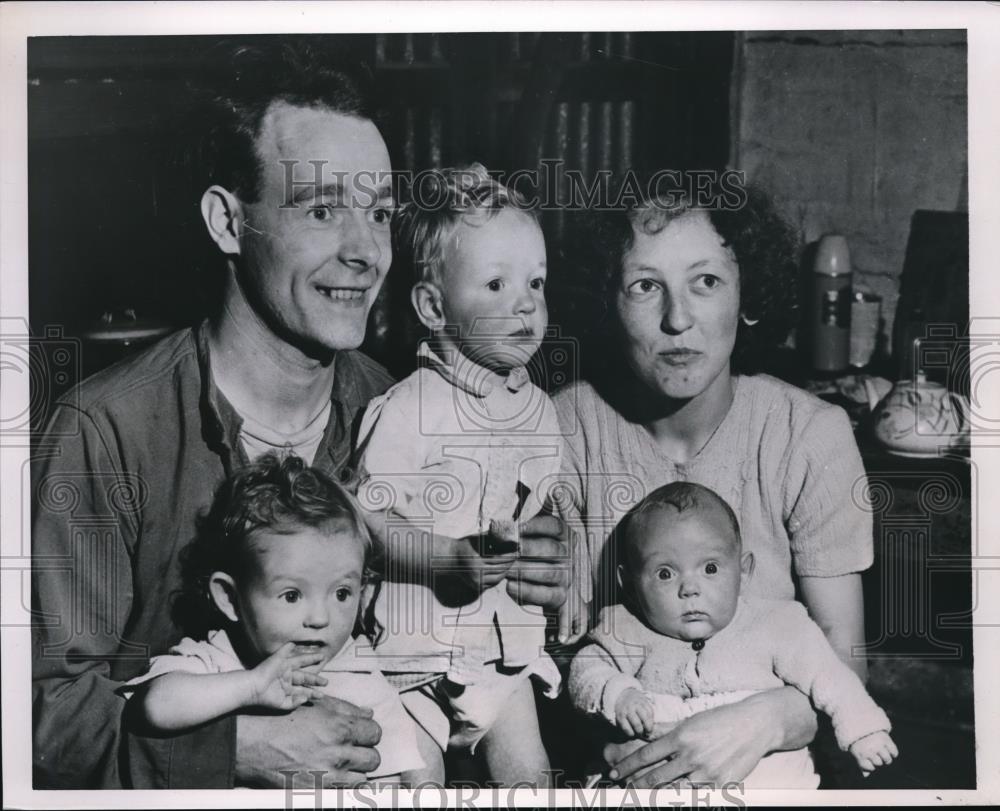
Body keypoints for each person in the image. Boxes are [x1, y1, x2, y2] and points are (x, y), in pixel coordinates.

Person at [32, 40, 570, 789]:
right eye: (322, 209)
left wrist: (525, 571)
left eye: (379, 213)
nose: (365, 251)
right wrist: (234, 750)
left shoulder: (402, 405)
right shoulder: (105, 432)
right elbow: (46, 718)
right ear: (227, 222)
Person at [552, 175, 874, 786]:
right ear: (607, 302)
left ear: (747, 296)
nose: (679, 320)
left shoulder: (811, 435)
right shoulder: (564, 429)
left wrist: (761, 723)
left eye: (706, 282)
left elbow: (844, 664)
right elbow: (553, 664)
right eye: (646, 286)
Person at [355, 165, 582, 786]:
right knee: (412, 784)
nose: (527, 302)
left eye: (536, 282)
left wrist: (543, 537)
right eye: (496, 284)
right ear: (433, 305)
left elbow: (541, 516)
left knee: (531, 781)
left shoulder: (538, 411)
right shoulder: (409, 408)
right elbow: (364, 521)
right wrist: (443, 559)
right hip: (411, 659)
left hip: (502, 657)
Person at [567, 481, 896, 788]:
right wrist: (618, 694)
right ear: (629, 583)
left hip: (764, 785)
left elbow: (830, 676)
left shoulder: (777, 624)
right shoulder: (625, 628)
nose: (690, 589)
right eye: (665, 573)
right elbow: (586, 671)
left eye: (710, 568)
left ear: (743, 570)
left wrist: (863, 729)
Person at [121, 454, 425, 784]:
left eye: (341, 593)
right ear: (229, 598)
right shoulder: (218, 660)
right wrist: (252, 687)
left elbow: (400, 774)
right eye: (292, 595)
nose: (321, 618)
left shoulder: (361, 673)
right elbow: (154, 706)